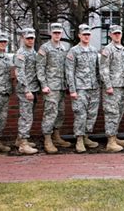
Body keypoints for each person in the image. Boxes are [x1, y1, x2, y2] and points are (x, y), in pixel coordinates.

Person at [37, 23, 71, 154]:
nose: (57, 35)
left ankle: (56, 136)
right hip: (50, 87)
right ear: (51, 33)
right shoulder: (44, 48)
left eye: (59, 33)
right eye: (55, 33)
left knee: (60, 112)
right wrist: (44, 85)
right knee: (50, 113)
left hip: (61, 87)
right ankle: (47, 139)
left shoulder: (63, 48)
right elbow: (40, 68)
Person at [66, 24, 100, 153]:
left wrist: (98, 85)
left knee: (92, 114)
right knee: (80, 114)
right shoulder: (74, 51)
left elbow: (97, 69)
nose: (86, 37)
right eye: (84, 34)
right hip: (80, 88)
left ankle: (86, 136)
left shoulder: (93, 50)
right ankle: (79, 139)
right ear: (79, 35)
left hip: (93, 88)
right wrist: (72, 90)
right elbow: (69, 72)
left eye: (88, 34)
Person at [100, 25, 124, 152]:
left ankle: (115, 135)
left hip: (121, 86)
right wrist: (108, 85)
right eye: (115, 33)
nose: (117, 35)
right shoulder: (108, 49)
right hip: (112, 87)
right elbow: (103, 69)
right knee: (111, 113)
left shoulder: (123, 49)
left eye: (119, 33)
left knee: (119, 112)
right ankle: (110, 141)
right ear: (110, 35)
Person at [14, 28, 40, 155]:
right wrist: (27, 90)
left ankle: (20, 139)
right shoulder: (21, 53)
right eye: (28, 38)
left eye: (32, 38)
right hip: (26, 90)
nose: (30, 40)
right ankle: (23, 144)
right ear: (23, 38)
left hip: (33, 89)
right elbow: (20, 73)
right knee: (26, 116)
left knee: (29, 114)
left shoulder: (33, 52)